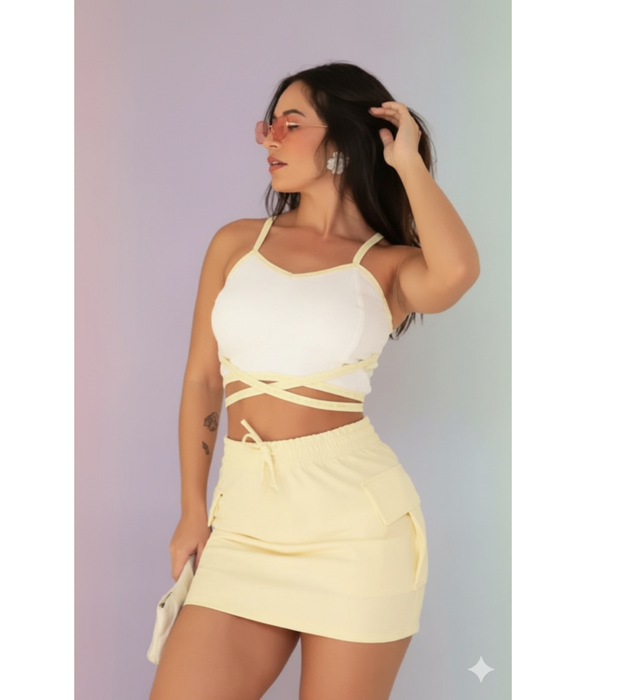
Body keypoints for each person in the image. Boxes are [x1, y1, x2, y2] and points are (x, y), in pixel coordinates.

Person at [148, 61, 480, 700]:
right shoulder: (237, 244)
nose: (269, 138)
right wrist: (192, 509)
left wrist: (406, 163)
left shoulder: (388, 265)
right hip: (243, 522)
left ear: (345, 141)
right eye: (269, 124)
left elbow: (457, 272)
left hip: (357, 531)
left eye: (291, 124)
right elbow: (202, 381)